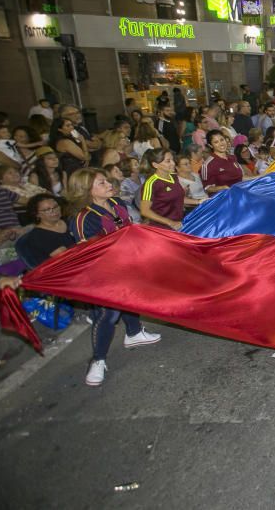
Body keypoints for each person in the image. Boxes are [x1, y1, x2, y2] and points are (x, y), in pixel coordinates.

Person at [68, 168, 161, 386]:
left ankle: (134, 332)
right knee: (108, 315)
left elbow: (128, 228)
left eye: (106, 181)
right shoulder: (83, 218)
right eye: (101, 183)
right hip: (103, 273)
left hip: (126, 264)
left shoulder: (117, 202)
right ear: (86, 190)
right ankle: (98, 360)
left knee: (130, 297)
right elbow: (86, 252)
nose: (109, 184)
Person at [139, 149, 197, 231]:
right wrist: (170, 222)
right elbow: (145, 211)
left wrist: (199, 201)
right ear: (155, 165)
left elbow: (178, 199)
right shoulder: (151, 183)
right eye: (168, 161)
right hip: (161, 229)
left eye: (172, 159)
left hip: (178, 223)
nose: (173, 163)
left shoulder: (173, 176)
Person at [200, 130, 243, 194]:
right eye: (216, 142)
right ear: (211, 145)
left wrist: (260, 176)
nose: (221, 144)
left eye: (222, 140)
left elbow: (241, 178)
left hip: (240, 192)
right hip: (224, 199)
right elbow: (207, 188)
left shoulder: (232, 157)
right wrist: (222, 188)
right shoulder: (208, 165)